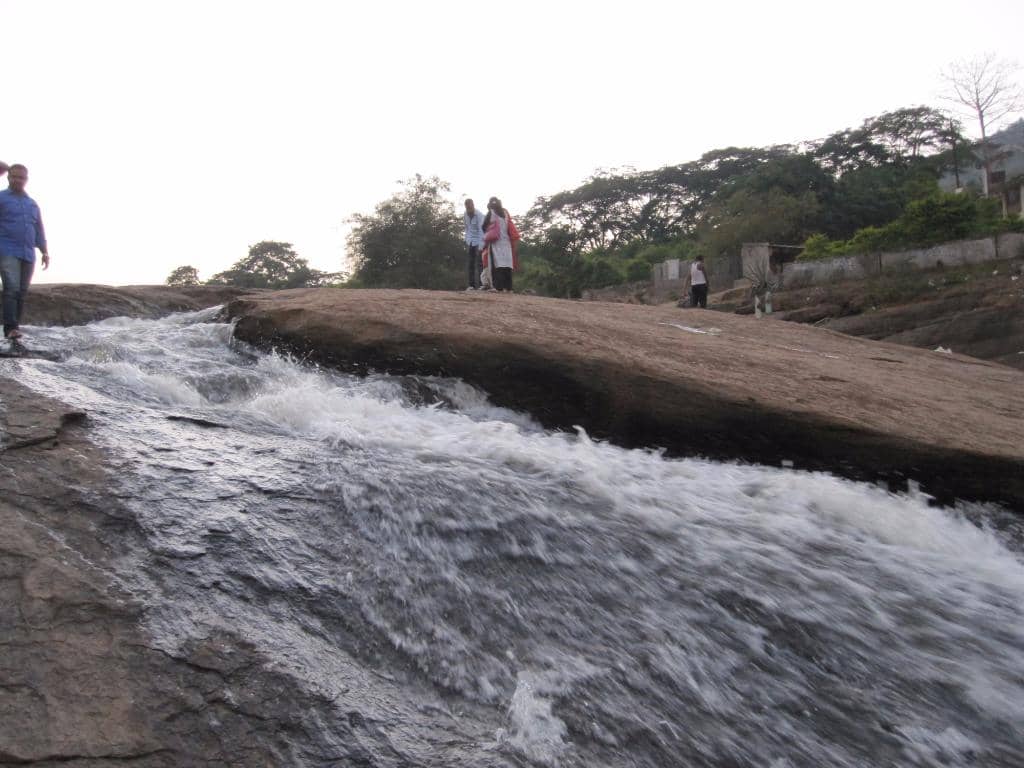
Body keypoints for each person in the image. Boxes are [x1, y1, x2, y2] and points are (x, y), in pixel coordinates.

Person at [0, 163, 49, 340]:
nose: (18, 180)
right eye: (14, 177)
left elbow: (39, 229)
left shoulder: (32, 204)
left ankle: (15, 327)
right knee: (11, 288)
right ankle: (10, 328)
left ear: (26, 180)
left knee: (21, 292)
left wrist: (44, 251)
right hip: (6, 249)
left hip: (28, 253)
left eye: (21, 177)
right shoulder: (1, 198)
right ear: (8, 178)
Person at [481, 196, 519, 292]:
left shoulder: (491, 213)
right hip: (507, 243)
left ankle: (498, 287)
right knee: (507, 265)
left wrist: (489, 231)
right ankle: (509, 288)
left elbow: (483, 226)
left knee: (497, 265)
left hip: (495, 243)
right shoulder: (505, 213)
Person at [463, 198, 485, 290]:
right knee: (470, 264)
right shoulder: (465, 214)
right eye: (467, 208)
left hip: (479, 241)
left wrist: (481, 246)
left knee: (480, 264)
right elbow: (467, 228)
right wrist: (467, 240)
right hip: (470, 241)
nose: (469, 210)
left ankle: (481, 285)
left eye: (470, 207)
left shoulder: (479, 215)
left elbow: (481, 231)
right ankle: (471, 285)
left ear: (473, 205)